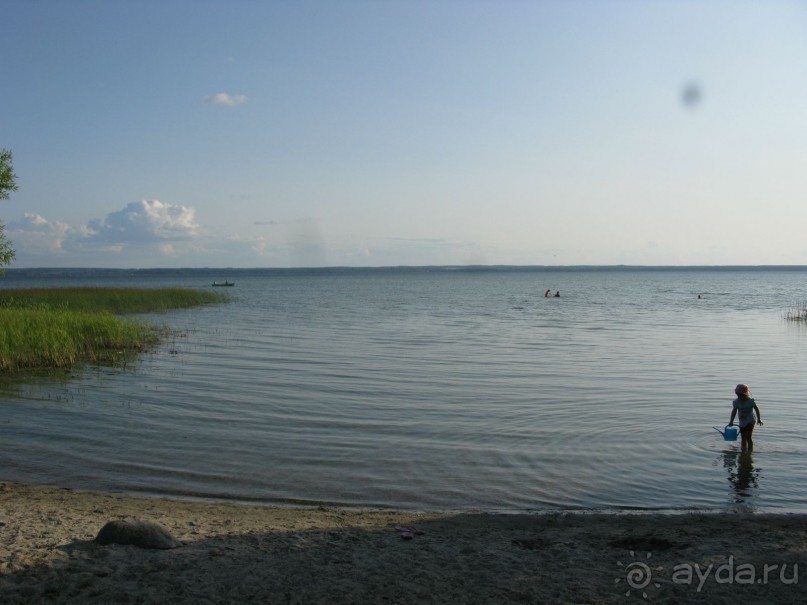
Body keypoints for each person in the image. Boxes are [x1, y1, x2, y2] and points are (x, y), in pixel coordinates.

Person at [728, 384, 763, 452]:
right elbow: (734, 411)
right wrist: (731, 421)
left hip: (750, 421)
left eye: (740, 395)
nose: (740, 396)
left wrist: (759, 419)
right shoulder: (736, 402)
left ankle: (747, 452)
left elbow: (756, 409)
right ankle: (745, 452)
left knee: (746, 437)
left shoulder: (750, 401)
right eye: (739, 395)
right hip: (743, 422)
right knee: (745, 438)